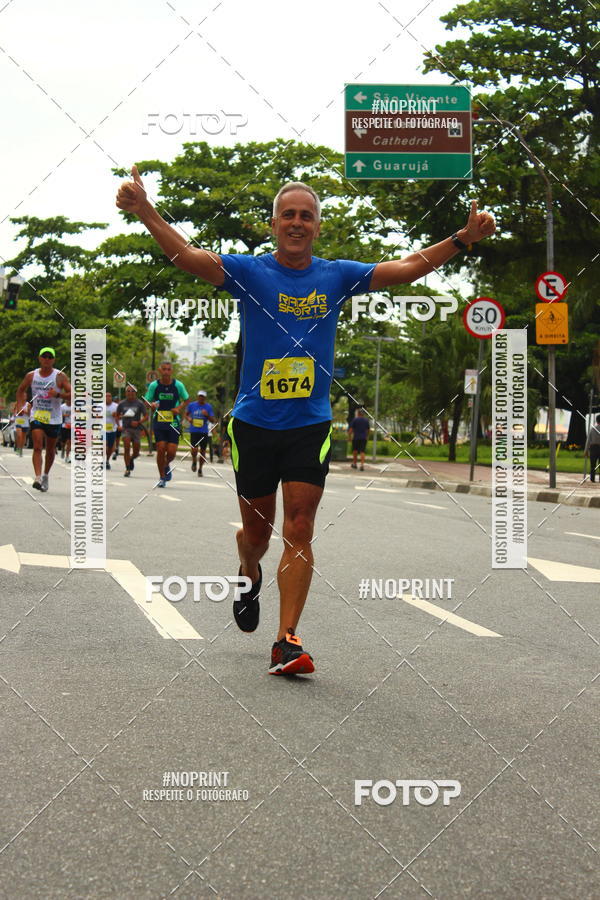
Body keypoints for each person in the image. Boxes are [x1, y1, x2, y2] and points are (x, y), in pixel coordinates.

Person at [116, 168, 495, 675]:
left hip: (310, 423)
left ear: (318, 226)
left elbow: (405, 269)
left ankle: (287, 639)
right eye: (289, 215)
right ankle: (248, 569)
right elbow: (187, 256)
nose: (297, 222)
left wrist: (461, 240)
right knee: (258, 533)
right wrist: (145, 211)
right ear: (274, 224)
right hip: (253, 423)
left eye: (307, 216)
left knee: (300, 525)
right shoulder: (250, 273)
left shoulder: (336, 275)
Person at [16, 347, 72, 492]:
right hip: (37, 415)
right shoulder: (31, 375)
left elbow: (73, 394)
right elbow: (21, 390)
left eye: (50, 357)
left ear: (53, 360)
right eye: (44, 356)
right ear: (39, 358)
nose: (47, 359)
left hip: (54, 417)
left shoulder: (60, 376)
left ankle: (46, 475)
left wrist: (58, 395)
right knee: (37, 446)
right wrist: (22, 406)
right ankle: (38, 476)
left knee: (51, 449)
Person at [144, 361, 189, 487]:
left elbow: (186, 399)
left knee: (171, 452)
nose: (166, 372)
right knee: (161, 447)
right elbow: (147, 401)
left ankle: (166, 464)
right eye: (164, 369)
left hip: (173, 421)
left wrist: (179, 408)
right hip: (159, 420)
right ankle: (162, 477)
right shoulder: (154, 385)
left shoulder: (178, 385)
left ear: (172, 371)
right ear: (160, 370)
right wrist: (151, 405)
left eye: (169, 369)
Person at [116, 385, 147, 476]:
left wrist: (138, 422)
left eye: (132, 391)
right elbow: (117, 416)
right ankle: (127, 469)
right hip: (126, 429)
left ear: (135, 393)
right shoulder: (122, 404)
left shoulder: (139, 403)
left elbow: (146, 416)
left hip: (137, 429)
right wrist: (119, 425)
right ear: (125, 393)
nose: (130, 393)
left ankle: (132, 459)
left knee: (136, 452)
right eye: (128, 391)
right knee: (126, 447)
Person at [185, 389, 215, 477]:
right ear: (197, 397)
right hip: (194, 431)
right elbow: (186, 414)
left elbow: (213, 420)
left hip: (204, 432)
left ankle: (200, 469)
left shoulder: (208, 407)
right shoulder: (192, 405)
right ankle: (194, 460)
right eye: (199, 396)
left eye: (202, 397)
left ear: (205, 398)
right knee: (194, 450)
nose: (201, 398)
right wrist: (189, 419)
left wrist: (207, 415)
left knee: (203, 451)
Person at [105, 392, 119, 469]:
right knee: (105, 445)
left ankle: (107, 460)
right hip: (102, 429)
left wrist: (116, 415)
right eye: (106, 396)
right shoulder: (100, 406)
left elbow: (121, 416)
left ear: (111, 398)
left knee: (110, 447)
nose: (108, 398)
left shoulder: (116, 406)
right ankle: (102, 461)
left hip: (112, 428)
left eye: (109, 396)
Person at [584, 414, 600, 482]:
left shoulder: (593, 429)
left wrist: (586, 450)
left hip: (593, 447)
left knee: (592, 465)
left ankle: (592, 478)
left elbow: (588, 441)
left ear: (596, 421)